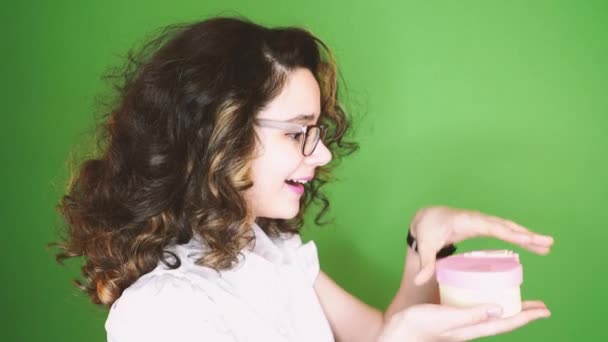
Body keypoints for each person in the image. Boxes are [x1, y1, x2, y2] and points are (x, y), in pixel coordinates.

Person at [55, 16, 554, 342]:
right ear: (216, 135)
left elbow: (381, 332)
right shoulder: (164, 314)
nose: (321, 154)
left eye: (317, 131)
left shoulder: (265, 249)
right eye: (297, 134)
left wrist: (426, 241)